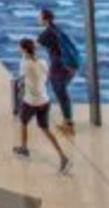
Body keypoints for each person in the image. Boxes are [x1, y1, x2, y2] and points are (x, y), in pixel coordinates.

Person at [13, 38, 72, 174]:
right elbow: (45, 77)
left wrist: (24, 57)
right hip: (45, 100)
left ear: (24, 49)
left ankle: (24, 148)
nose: (18, 49)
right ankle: (63, 157)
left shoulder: (25, 64)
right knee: (45, 129)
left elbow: (22, 75)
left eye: (19, 47)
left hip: (30, 101)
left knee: (23, 122)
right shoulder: (43, 62)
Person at [38, 8, 81, 136]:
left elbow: (35, 45)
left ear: (45, 19)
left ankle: (68, 124)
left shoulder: (47, 33)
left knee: (62, 94)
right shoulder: (57, 29)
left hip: (59, 68)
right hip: (69, 66)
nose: (38, 19)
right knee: (62, 93)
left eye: (39, 17)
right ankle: (67, 121)